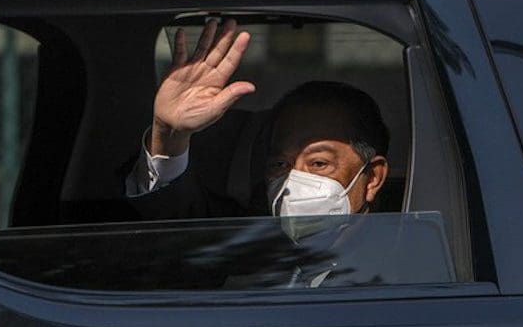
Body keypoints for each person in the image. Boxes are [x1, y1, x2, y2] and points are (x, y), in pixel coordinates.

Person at [125, 19, 390, 219]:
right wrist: (169, 134)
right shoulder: (246, 243)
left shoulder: (411, 272)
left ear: (373, 178)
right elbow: (177, 221)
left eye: (319, 163)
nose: (293, 182)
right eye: (279, 163)